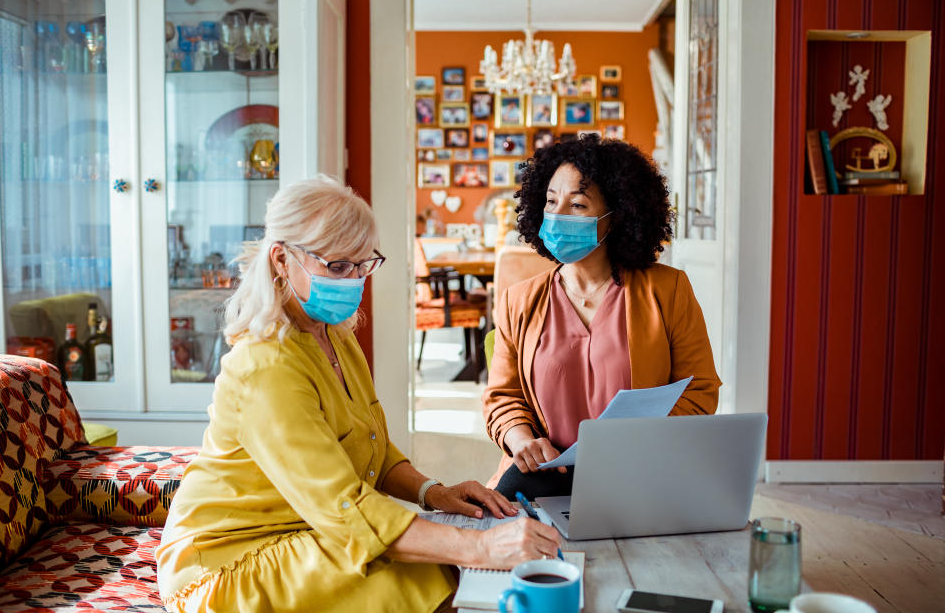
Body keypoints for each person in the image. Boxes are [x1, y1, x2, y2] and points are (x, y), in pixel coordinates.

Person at [157, 176, 560, 613]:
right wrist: (481, 548)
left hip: (306, 528)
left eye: (363, 264)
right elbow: (344, 508)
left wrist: (433, 493)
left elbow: (371, 446)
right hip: (227, 564)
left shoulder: (334, 335)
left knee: (444, 564)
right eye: (337, 267)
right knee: (437, 570)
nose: (354, 280)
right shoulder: (265, 368)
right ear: (281, 259)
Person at [483, 135, 720, 501]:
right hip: (544, 472)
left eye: (577, 204)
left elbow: (699, 391)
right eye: (550, 201)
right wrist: (520, 439)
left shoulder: (669, 290)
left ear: (618, 215)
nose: (558, 213)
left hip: (639, 470)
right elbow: (502, 398)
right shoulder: (518, 301)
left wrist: (637, 445)